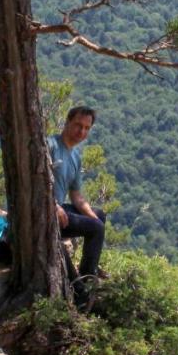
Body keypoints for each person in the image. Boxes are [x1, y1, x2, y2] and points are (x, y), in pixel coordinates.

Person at [48, 105, 106, 281]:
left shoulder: (75, 157)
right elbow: (37, 184)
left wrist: (93, 218)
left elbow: (76, 196)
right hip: (45, 212)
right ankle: (86, 281)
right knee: (96, 229)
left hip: (59, 212)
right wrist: (54, 205)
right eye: (78, 125)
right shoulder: (49, 145)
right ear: (67, 123)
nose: (81, 131)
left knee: (99, 216)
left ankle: (89, 268)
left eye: (86, 128)